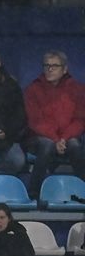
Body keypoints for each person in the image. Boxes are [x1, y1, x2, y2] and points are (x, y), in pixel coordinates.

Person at [25, 49, 85, 183]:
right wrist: (56, 139)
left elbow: (80, 120)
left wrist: (63, 138)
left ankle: (83, 189)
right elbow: (35, 121)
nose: (50, 69)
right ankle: (34, 193)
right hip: (39, 139)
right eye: (47, 65)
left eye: (54, 66)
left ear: (64, 69)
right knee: (47, 145)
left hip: (67, 138)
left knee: (74, 144)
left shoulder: (78, 89)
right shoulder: (33, 90)